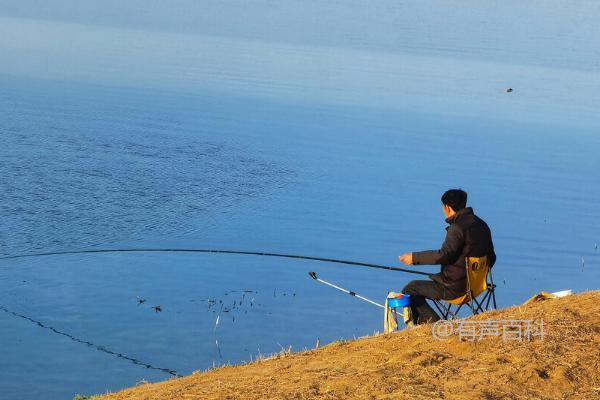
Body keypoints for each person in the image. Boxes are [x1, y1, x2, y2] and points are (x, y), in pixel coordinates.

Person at [398, 189, 496, 325]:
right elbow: (492, 257)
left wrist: (414, 258)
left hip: (456, 288)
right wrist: (475, 275)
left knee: (410, 289)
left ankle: (435, 325)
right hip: (478, 286)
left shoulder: (457, 228)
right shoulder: (481, 224)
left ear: (447, 207)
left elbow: (443, 255)